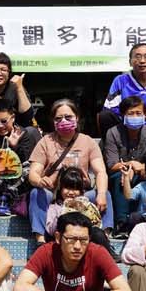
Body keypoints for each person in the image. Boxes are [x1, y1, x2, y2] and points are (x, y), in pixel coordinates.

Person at [27, 99, 112, 239]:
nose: (63, 121)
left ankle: (104, 237)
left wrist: (101, 194)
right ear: (53, 121)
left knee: (105, 194)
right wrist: (40, 181)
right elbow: (33, 173)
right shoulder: (45, 142)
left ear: (77, 118)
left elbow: (100, 172)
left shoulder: (88, 142)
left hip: (81, 194)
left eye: (68, 117)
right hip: (54, 195)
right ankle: (40, 238)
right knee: (37, 193)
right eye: (58, 118)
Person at [103, 95, 146, 231]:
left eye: (138, 113)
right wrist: (131, 165)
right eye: (131, 113)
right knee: (121, 177)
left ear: (144, 114)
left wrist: (136, 168)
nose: (135, 116)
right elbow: (112, 165)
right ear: (123, 115)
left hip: (142, 173)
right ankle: (121, 223)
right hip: (118, 174)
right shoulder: (113, 133)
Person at [42, 167, 110, 252]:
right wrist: (63, 211)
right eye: (67, 188)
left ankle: (109, 254)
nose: (71, 192)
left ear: (81, 191)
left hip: (83, 239)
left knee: (97, 233)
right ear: (61, 189)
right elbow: (50, 230)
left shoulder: (86, 206)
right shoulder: (55, 207)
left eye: (75, 189)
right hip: (66, 240)